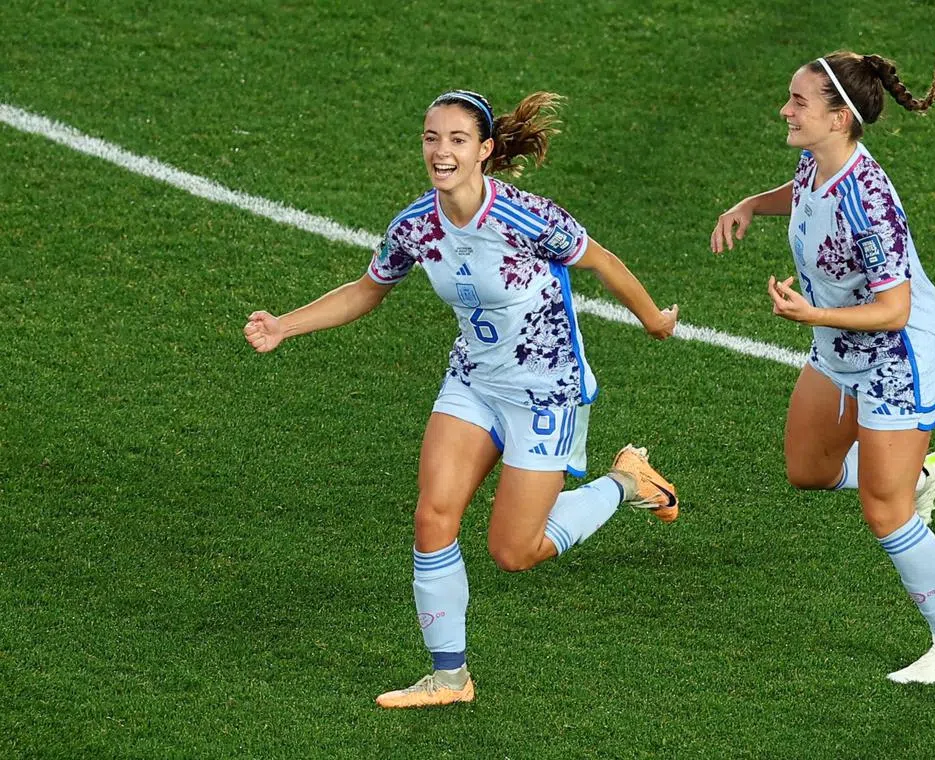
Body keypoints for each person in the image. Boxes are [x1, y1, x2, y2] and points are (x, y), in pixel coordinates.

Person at [244, 89, 680, 707]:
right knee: (432, 517)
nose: (440, 152)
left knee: (514, 551)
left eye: (455, 140)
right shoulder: (416, 224)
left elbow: (602, 262)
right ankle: (450, 677)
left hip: (545, 390)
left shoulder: (527, 217)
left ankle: (626, 481)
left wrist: (654, 321)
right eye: (431, 138)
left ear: (484, 151)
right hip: (473, 382)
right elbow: (369, 289)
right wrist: (286, 325)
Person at [710, 37, 935, 684]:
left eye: (797, 102)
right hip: (839, 345)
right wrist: (751, 203)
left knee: (881, 513)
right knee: (808, 467)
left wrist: (813, 315)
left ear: (839, 119)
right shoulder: (819, 159)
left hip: (897, 357)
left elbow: (893, 308)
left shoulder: (871, 202)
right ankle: (911, 477)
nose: (784, 110)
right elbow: (801, 188)